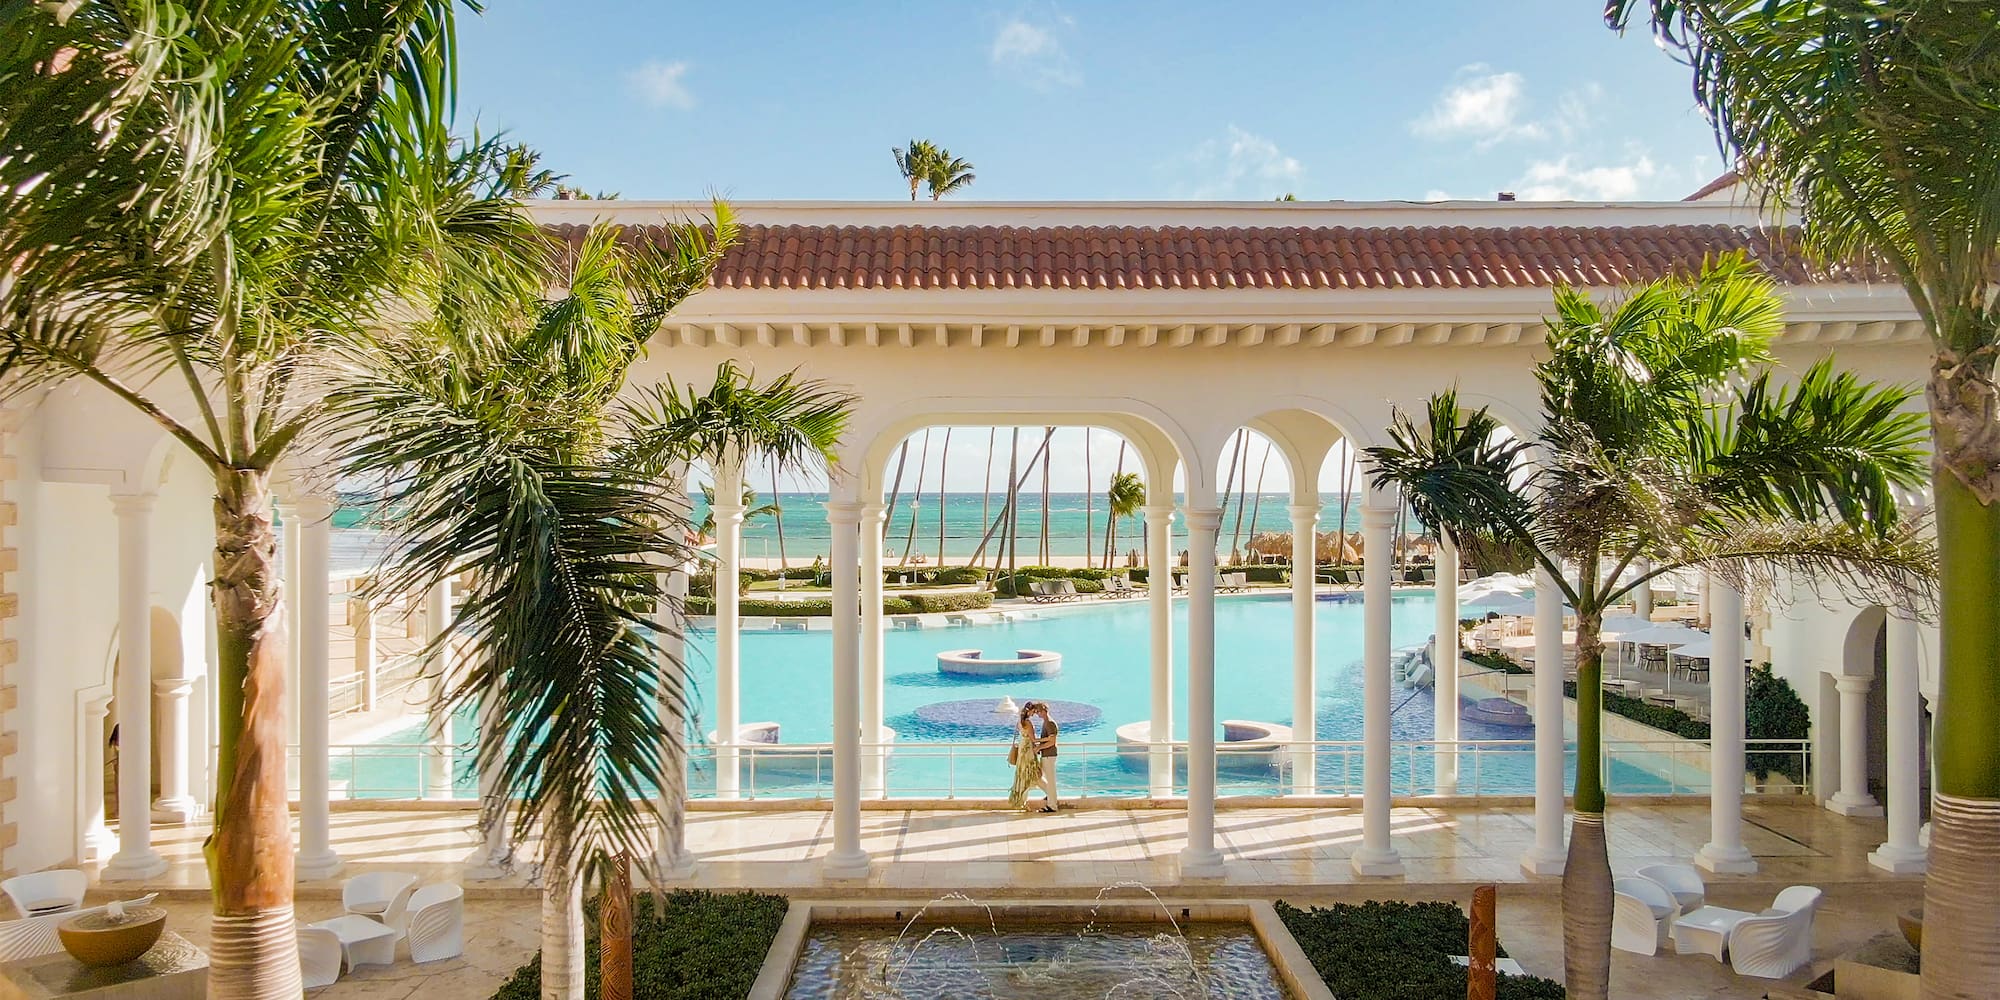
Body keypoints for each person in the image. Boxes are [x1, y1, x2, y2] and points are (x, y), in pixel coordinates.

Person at [1024, 700, 1061, 812]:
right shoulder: (1046, 722)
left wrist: (1039, 747)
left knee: (1050, 780)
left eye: (1038, 712)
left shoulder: (1049, 723)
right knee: (1039, 778)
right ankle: (1050, 796)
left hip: (1049, 755)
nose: (1037, 714)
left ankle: (1052, 805)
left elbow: (1052, 741)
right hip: (1046, 755)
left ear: (1044, 711)